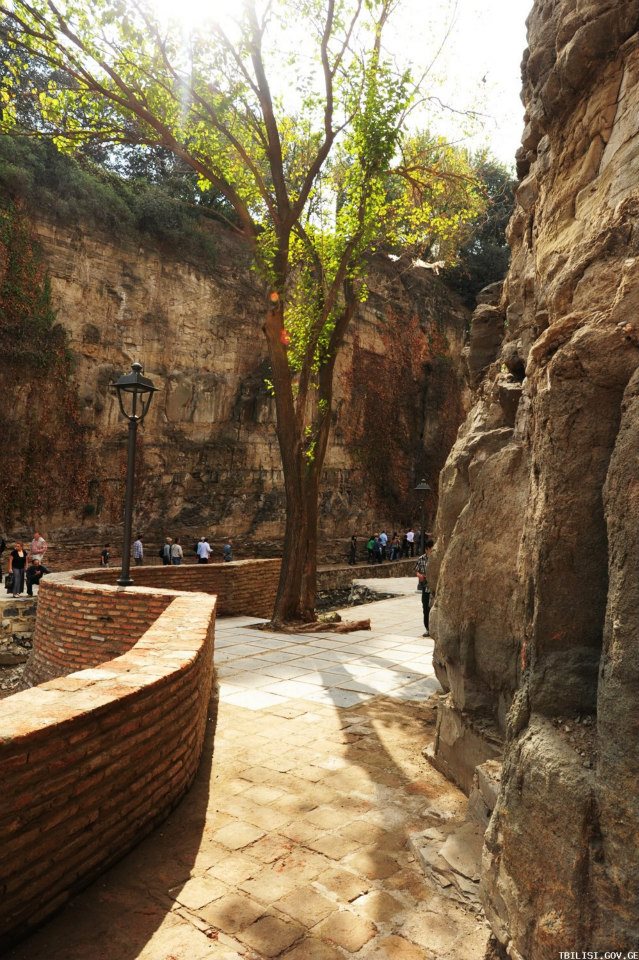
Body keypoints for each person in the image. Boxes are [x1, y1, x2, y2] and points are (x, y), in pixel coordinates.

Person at [415, 538, 435, 637]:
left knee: (433, 609)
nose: (433, 551)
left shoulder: (435, 559)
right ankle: (427, 629)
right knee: (425, 608)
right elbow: (417, 570)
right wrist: (419, 576)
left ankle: (434, 628)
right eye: (432, 549)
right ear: (427, 549)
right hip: (425, 587)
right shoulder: (421, 559)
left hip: (434, 589)